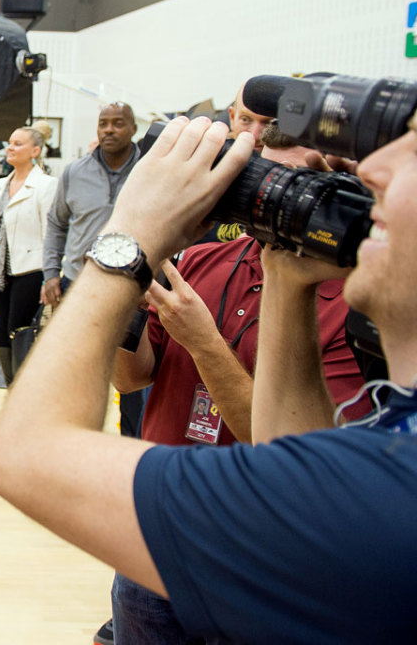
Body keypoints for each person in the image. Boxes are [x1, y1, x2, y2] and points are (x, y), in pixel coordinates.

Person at [0, 113, 417, 642]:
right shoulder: (213, 262)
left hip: (222, 525)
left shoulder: (389, 484)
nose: (373, 170)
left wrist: (129, 239)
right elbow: (287, 452)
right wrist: (284, 274)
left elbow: (25, 454)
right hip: (170, 522)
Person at [105, 124, 371, 643]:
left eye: (293, 184)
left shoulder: (355, 302)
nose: (268, 200)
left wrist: (203, 341)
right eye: (262, 178)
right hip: (160, 533)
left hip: (256, 554)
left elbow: (285, 448)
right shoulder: (201, 259)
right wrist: (123, 296)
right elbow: (130, 376)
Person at [0, 126, 57, 384]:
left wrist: (49, 278)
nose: (10, 147)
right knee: (1, 335)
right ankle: (12, 388)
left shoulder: (46, 185)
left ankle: (24, 391)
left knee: (20, 333)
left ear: (35, 151)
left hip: (30, 271)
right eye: (10, 142)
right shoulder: (1, 184)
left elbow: (51, 234)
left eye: (18, 143)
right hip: (1, 273)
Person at [41, 101, 138, 310]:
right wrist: (51, 274)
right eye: (103, 124)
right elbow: (56, 224)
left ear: (134, 129)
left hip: (131, 286)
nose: (109, 130)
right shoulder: (74, 172)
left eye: (118, 123)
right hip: (76, 281)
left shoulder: (149, 172)